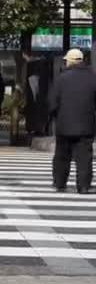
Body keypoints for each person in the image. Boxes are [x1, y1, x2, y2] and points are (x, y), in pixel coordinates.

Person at [49, 49, 96, 194]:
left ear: (70, 61)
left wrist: (53, 116)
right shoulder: (93, 78)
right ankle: (83, 186)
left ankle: (60, 183)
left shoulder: (61, 78)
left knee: (62, 155)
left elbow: (52, 102)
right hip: (86, 125)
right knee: (84, 157)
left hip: (64, 124)